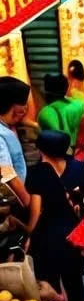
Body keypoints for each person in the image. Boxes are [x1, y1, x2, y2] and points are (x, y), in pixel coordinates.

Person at [24, 130, 84, 301]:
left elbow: (36, 210)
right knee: (74, 279)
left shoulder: (38, 173)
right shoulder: (78, 168)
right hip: (75, 232)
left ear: (42, 149)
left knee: (50, 278)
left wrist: (27, 230)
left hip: (47, 234)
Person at [0, 78, 31, 209]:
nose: (25, 109)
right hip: (12, 200)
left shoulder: (7, 127)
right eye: (23, 104)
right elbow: (7, 173)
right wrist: (28, 203)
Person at [38, 74, 84, 149]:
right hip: (77, 151)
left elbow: (55, 137)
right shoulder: (79, 105)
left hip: (58, 152)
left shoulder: (46, 112)